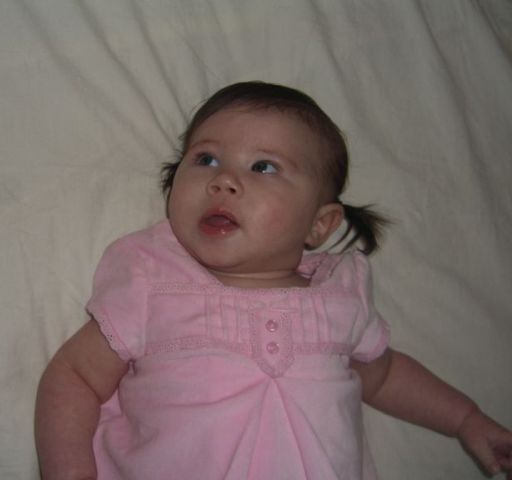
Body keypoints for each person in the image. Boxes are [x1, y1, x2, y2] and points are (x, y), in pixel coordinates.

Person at [35, 81, 512, 479]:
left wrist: (465, 419)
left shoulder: (338, 302)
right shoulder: (154, 282)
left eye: (264, 167)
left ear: (319, 225)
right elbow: (74, 376)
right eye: (206, 159)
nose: (224, 181)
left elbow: (384, 375)